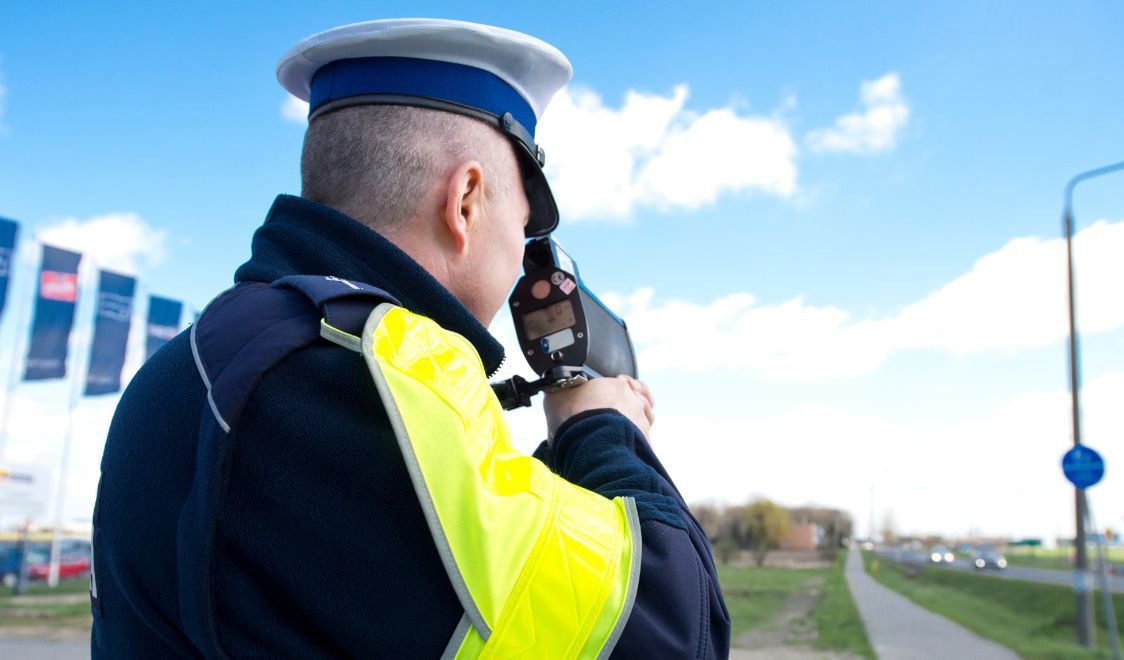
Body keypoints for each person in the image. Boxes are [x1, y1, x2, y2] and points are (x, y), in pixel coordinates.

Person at [91, 18, 729, 659]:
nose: (519, 258)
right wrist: (602, 431)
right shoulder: (364, 374)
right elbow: (675, 630)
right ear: (467, 201)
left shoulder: (197, 357)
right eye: (523, 225)